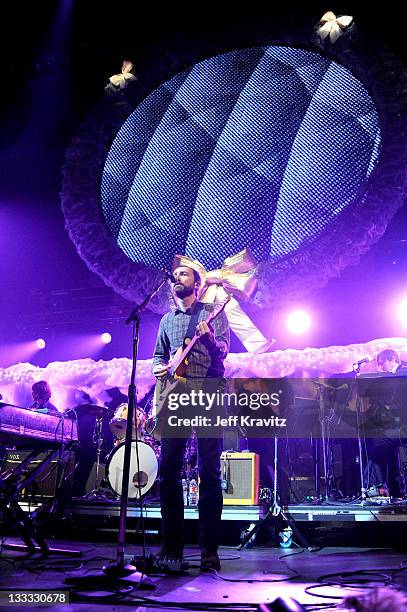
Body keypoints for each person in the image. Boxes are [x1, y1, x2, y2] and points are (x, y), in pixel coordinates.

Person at [152, 265, 230, 571]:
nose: (177, 278)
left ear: (197, 283)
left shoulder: (213, 312)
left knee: (208, 471)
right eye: (176, 275)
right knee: (169, 470)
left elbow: (223, 351)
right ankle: (171, 546)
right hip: (177, 395)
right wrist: (157, 367)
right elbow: (159, 355)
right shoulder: (166, 320)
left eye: (184, 274)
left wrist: (208, 339)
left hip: (209, 392)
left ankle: (209, 549)